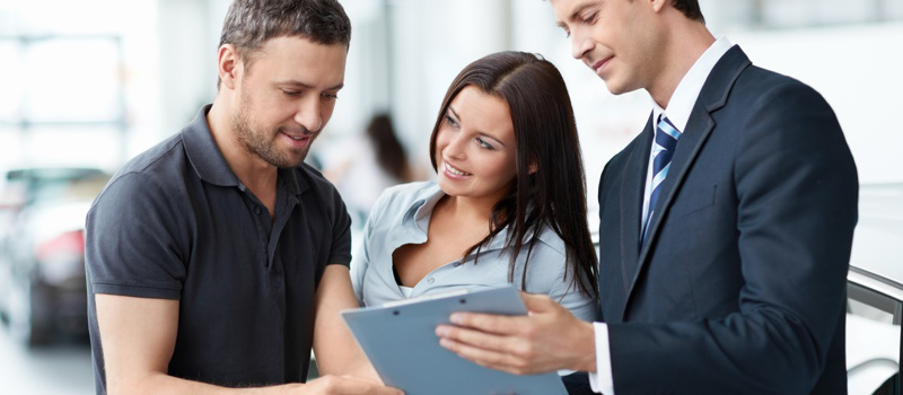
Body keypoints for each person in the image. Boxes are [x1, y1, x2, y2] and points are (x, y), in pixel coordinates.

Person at [436, 1, 858, 394]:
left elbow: (788, 346)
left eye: (589, 16)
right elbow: (631, 359)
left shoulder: (779, 118)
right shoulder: (622, 174)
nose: (577, 48)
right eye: (566, 29)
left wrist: (589, 346)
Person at [84, 1, 400, 394]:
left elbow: (349, 365)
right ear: (230, 66)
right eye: (292, 91)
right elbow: (134, 386)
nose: (313, 118)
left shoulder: (323, 203)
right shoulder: (143, 199)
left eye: (329, 95)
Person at [350, 51, 599, 392]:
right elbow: (347, 335)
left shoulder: (555, 261)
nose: (453, 150)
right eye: (452, 122)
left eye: (483, 143)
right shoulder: (391, 207)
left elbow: (581, 384)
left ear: (531, 162)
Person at [325, 113, 418, 220]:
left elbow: (332, 176)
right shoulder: (397, 149)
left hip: (365, 210)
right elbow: (412, 179)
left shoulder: (360, 143)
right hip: (394, 209)